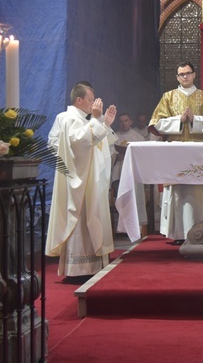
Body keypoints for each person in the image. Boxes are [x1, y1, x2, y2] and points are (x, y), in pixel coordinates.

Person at [45, 83, 117, 278]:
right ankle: (78, 269)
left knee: (91, 215)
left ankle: (93, 265)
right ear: (79, 100)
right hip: (77, 177)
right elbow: (79, 143)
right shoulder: (67, 118)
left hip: (90, 176)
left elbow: (99, 142)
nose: (94, 104)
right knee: (80, 216)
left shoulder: (84, 118)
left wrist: (105, 124)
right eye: (91, 99)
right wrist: (97, 120)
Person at [150, 62, 203, 245]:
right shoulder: (168, 97)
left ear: (194, 75)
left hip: (199, 150)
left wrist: (196, 120)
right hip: (175, 150)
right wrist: (179, 119)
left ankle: (201, 230)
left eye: (188, 73)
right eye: (181, 74)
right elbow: (157, 124)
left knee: (197, 192)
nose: (185, 77)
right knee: (178, 192)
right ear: (177, 77)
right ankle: (178, 232)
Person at [111, 112, 147, 235]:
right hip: (119, 172)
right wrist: (116, 156)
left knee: (135, 198)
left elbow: (143, 156)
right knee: (120, 197)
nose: (123, 123)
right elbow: (110, 153)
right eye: (121, 121)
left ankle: (137, 228)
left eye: (126, 120)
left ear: (131, 122)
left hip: (134, 173)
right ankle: (120, 228)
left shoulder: (138, 137)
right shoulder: (114, 136)